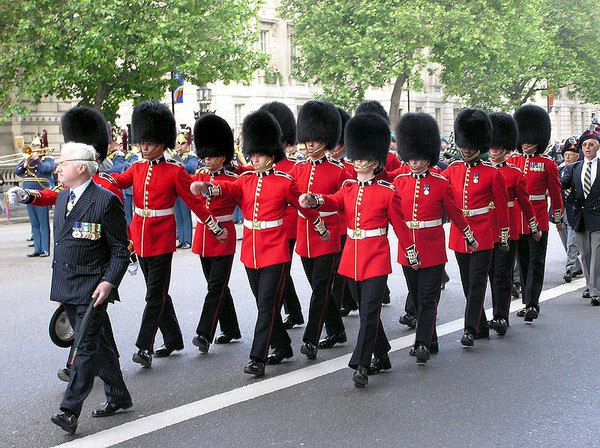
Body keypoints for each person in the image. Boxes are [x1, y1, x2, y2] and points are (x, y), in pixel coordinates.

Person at [191, 110, 329, 377]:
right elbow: (227, 189)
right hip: (251, 252)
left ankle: (257, 358)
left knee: (267, 305)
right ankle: (282, 345)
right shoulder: (244, 179)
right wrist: (207, 188)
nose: (254, 159)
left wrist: (319, 224)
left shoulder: (284, 182)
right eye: (252, 154)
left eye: (259, 154)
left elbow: (303, 205)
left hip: (276, 251)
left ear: (270, 153)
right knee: (262, 304)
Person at [13, 142, 131, 435]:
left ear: (81, 167)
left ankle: (69, 410)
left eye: (63, 163)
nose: (58, 167)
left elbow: (119, 250)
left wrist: (109, 281)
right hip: (68, 285)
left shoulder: (105, 200)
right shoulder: (63, 196)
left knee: (85, 347)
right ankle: (118, 394)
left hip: (93, 287)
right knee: (99, 343)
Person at [299, 112, 417, 387]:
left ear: (375, 161)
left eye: (365, 158)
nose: (360, 162)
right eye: (357, 157)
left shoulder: (388, 191)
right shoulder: (349, 187)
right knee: (367, 313)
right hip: (351, 258)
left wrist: (410, 251)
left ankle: (361, 364)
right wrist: (314, 199)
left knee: (369, 312)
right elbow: (332, 201)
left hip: (376, 258)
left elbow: (400, 226)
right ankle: (383, 354)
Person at [110, 101, 226, 368]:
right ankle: (172, 338)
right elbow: (118, 181)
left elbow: (194, 203)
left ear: (161, 143)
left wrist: (213, 226)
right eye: (142, 142)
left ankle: (144, 347)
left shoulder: (175, 171)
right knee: (159, 292)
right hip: (140, 238)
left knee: (153, 295)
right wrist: (93, 176)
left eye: (149, 142)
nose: (144, 146)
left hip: (162, 239)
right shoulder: (137, 168)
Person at [393, 112, 478, 362]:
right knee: (418, 298)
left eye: (419, 156)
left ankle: (421, 344)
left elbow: (454, 212)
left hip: (432, 248)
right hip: (407, 248)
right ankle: (431, 339)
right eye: (412, 156)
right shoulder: (399, 182)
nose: (415, 161)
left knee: (428, 298)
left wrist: (468, 234)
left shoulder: (440, 183)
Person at [443, 108, 510, 346]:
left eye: (471, 145)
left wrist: (503, 236)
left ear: (479, 146)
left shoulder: (492, 174)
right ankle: (480, 325)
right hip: (460, 233)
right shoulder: (452, 170)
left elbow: (502, 208)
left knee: (478, 281)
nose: (467, 149)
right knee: (467, 282)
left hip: (483, 233)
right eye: (464, 145)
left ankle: (469, 329)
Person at [292, 100, 349, 359]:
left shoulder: (338, 170)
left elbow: (342, 200)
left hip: (327, 234)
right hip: (304, 236)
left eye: (315, 139)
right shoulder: (297, 169)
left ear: (325, 140)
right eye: (308, 139)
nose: (310, 144)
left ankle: (311, 339)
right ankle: (337, 330)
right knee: (320, 289)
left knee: (319, 289)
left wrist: (319, 201)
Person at [189, 113, 242, 352]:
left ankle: (204, 334)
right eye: (205, 155)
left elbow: (234, 189)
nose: (208, 159)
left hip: (223, 234)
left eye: (212, 155)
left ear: (223, 155)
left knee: (215, 287)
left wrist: (210, 188)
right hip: (203, 236)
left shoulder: (233, 176)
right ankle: (230, 328)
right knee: (217, 285)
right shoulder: (199, 174)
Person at [508, 105, 563, 321]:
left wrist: (557, 216)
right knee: (522, 262)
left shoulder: (547, 164)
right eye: (524, 140)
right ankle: (526, 301)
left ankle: (532, 303)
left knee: (536, 262)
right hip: (518, 219)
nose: (527, 144)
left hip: (538, 219)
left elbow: (556, 193)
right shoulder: (513, 161)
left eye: (531, 141)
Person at [486, 112, 540, 335]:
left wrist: (534, 226)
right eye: (492, 147)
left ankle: (501, 316)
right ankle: (493, 313)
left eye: (498, 148)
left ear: (506, 149)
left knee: (503, 274)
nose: (494, 151)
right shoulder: (483, 171)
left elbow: (525, 203)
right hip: (485, 228)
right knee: (490, 275)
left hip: (508, 226)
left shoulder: (514, 173)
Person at [259, 101, 305, 329]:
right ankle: (294, 312)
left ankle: (272, 320)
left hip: (286, 227)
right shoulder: (262, 168)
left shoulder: (292, 167)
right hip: (269, 228)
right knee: (281, 275)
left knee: (277, 276)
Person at [561, 130, 600, 305]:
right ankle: (589, 285)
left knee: (597, 253)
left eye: (591, 144)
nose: (587, 148)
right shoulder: (573, 168)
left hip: (598, 215)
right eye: (584, 145)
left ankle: (595, 290)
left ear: (598, 147)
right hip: (580, 216)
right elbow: (560, 185)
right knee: (585, 254)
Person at [15, 134, 54, 257]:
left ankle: (45, 249)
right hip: (28, 193)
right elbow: (17, 171)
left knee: (43, 221)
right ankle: (37, 249)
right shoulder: (28, 159)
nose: (35, 148)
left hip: (41, 192)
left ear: (42, 147)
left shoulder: (47, 159)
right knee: (34, 222)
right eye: (34, 146)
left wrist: (37, 159)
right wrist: (26, 162)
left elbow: (46, 169)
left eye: (37, 145)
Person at [557, 138, 583, 283]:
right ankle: (577, 267)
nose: (567, 157)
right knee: (565, 240)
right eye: (566, 154)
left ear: (577, 156)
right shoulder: (558, 169)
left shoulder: (580, 169)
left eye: (571, 155)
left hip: (574, 210)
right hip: (561, 210)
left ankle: (569, 267)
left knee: (572, 242)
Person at [169, 129, 198, 249]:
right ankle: (181, 238)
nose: (179, 146)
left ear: (187, 144)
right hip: (175, 187)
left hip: (186, 188)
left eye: (182, 143)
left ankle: (188, 240)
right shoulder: (174, 155)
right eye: (178, 143)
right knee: (178, 215)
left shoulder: (191, 156)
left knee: (186, 215)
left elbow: (191, 167)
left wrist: (177, 162)